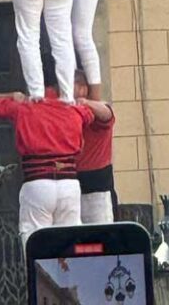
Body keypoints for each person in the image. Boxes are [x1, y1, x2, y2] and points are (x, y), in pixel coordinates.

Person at [0, 86, 93, 251]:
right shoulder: (75, 109)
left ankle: (37, 276)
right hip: (69, 185)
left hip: (37, 183)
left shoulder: (24, 107)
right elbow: (94, 113)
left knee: (35, 244)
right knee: (69, 246)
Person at [74, 69, 116, 224]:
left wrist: (84, 103)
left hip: (98, 185)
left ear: (82, 88)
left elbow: (107, 114)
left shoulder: (96, 114)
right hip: (72, 183)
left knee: (100, 236)